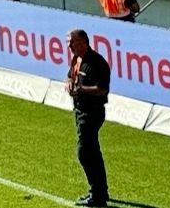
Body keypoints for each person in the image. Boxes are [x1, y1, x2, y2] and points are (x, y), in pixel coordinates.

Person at [66, 29, 111, 207]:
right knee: (93, 152)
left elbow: (102, 89)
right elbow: (70, 76)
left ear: (84, 43)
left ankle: (96, 194)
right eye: (68, 42)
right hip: (79, 110)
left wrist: (82, 90)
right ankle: (101, 191)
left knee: (84, 152)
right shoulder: (76, 59)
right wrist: (69, 84)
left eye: (72, 42)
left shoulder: (97, 63)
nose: (69, 46)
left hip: (92, 112)